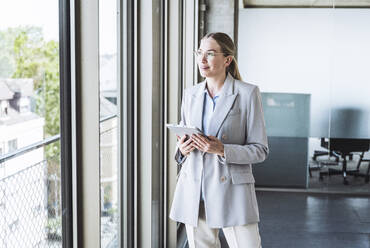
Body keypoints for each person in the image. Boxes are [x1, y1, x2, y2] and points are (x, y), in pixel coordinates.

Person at [169, 32, 269, 248]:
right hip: (196, 193)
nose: (202, 60)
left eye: (210, 53)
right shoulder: (190, 94)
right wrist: (182, 149)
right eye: (199, 53)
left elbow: (260, 150)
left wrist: (222, 149)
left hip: (232, 191)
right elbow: (184, 140)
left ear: (227, 60)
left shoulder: (247, 93)